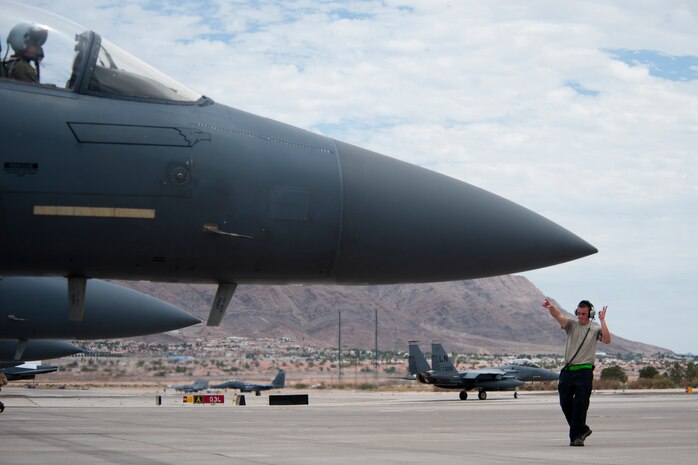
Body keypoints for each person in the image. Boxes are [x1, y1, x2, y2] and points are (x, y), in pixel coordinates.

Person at [543, 298, 611, 446]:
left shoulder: (594, 329)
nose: (580, 316)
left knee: (581, 404)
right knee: (565, 403)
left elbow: (607, 339)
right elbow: (559, 317)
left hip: (584, 371)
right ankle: (582, 429)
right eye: (578, 313)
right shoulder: (571, 325)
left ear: (590, 314)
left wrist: (602, 321)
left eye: (583, 314)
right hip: (568, 370)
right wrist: (551, 308)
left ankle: (576, 438)